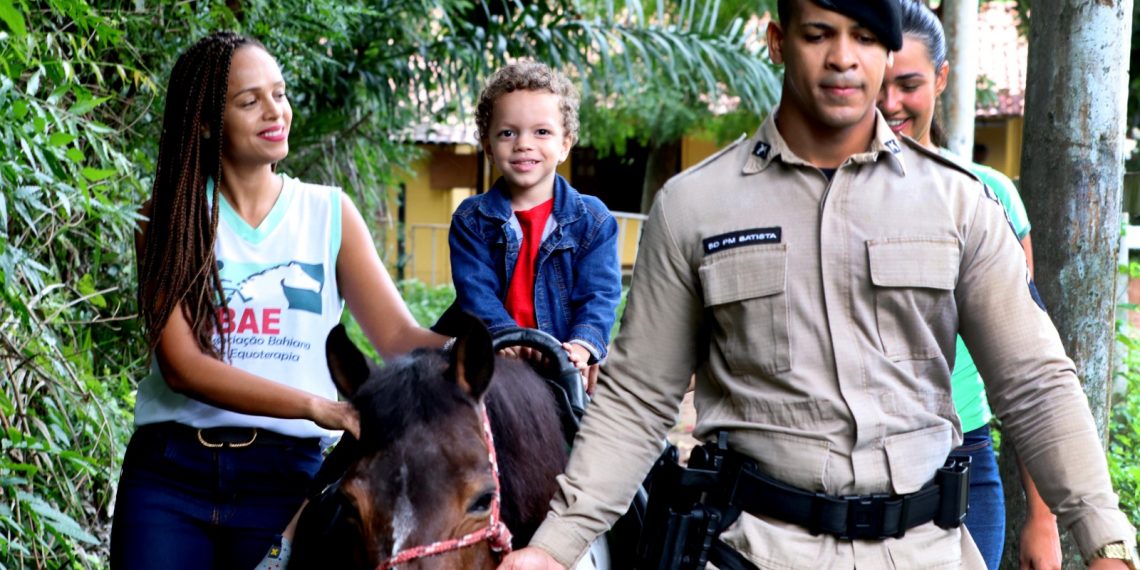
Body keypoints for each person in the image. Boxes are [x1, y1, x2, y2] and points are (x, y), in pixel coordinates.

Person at [499, 0, 1138, 568]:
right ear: (778, 41)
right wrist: (555, 548)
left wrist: (1105, 540)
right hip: (753, 550)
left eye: (864, 36)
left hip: (925, 549)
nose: (842, 58)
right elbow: (638, 400)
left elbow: (1034, 381)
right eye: (818, 33)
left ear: (888, 53)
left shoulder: (958, 202)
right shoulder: (696, 207)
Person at [109, 32, 448, 570]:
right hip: (169, 477)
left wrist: (493, 343)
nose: (276, 111)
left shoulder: (329, 214)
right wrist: (319, 406)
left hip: (288, 483)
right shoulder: (169, 218)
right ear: (204, 122)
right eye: (250, 101)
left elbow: (400, 340)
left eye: (280, 93)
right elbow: (182, 367)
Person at [876, 2, 1058, 568]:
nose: (890, 104)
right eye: (877, 84)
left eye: (908, 84)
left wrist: (1045, 519)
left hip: (964, 466)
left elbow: (1026, 366)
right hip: (853, 469)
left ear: (942, 78)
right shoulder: (820, 200)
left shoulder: (990, 196)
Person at [445, 62, 623, 392]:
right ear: (488, 145)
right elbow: (476, 293)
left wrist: (582, 346)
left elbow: (600, 296)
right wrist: (502, 335)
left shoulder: (594, 220)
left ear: (565, 144)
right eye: (508, 133)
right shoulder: (471, 219)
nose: (523, 144)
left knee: (613, 425)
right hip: (492, 355)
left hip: (564, 358)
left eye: (541, 132)